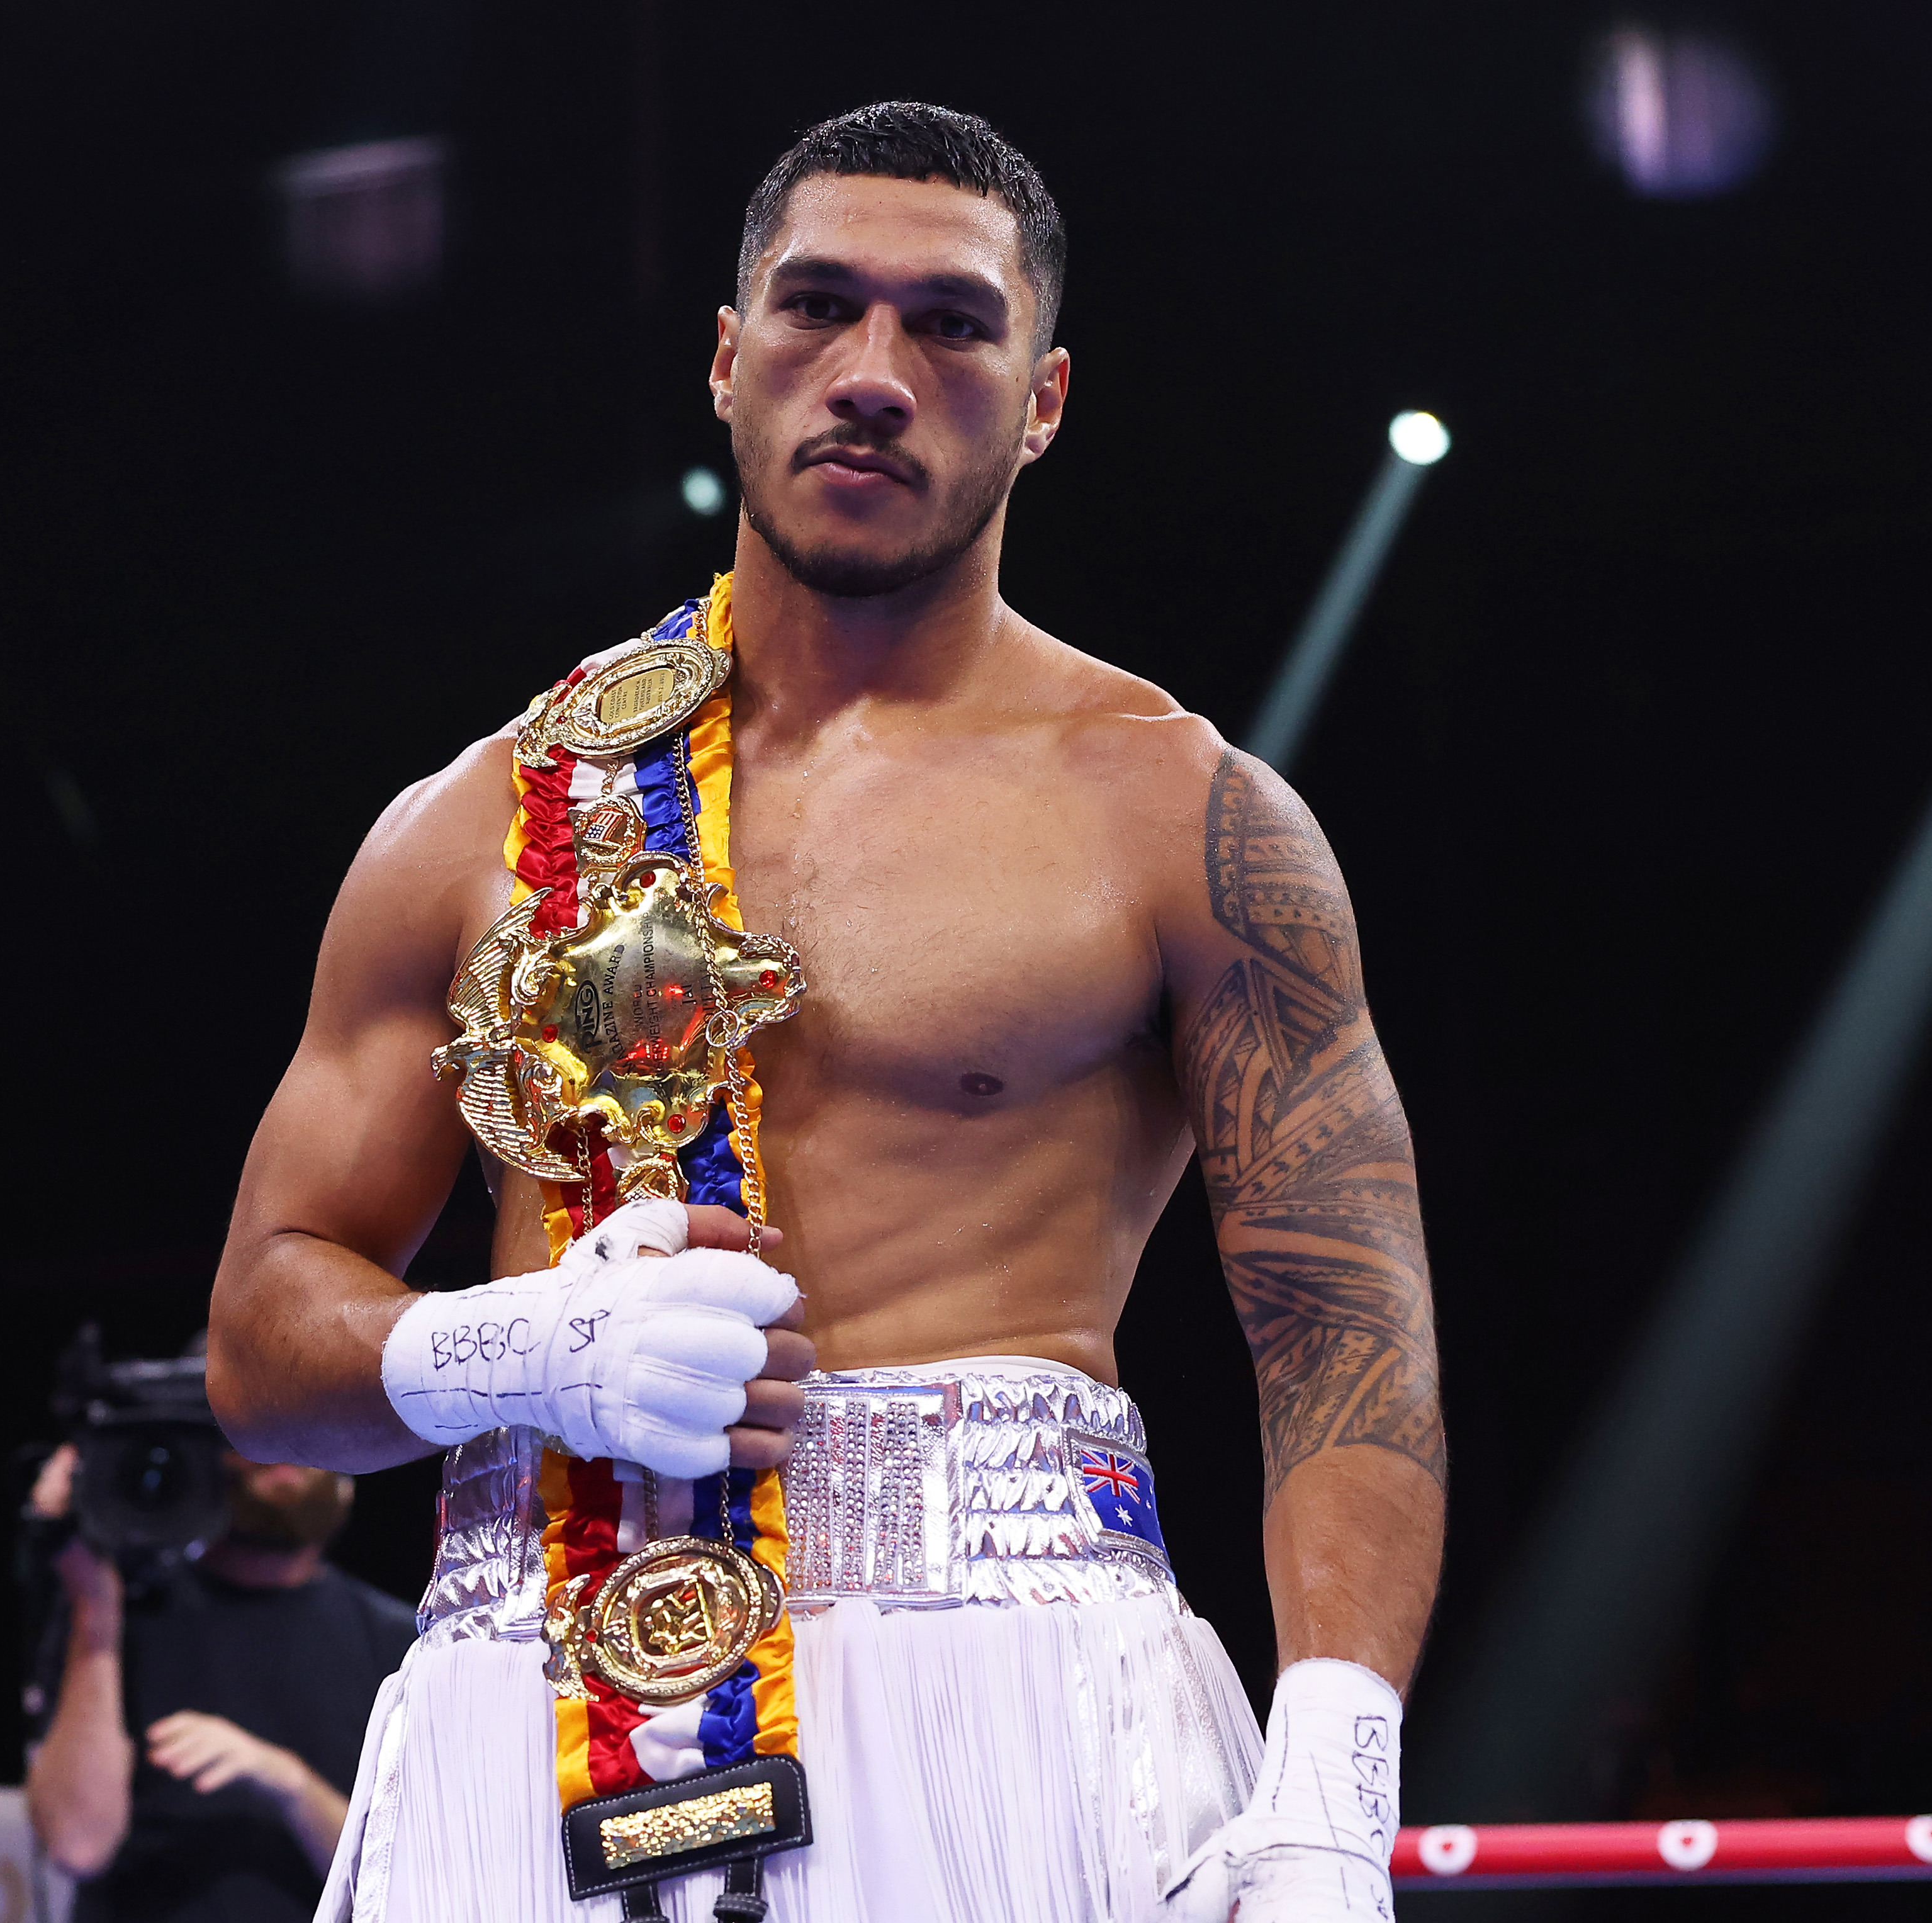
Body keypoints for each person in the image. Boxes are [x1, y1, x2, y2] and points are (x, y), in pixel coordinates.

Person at [208, 101, 1444, 1923]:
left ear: (1041, 400)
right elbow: (259, 1345)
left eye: (948, 324)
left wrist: (1331, 1795)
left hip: (1012, 1692)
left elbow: (1344, 1328)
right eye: (815, 306)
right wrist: (519, 1347)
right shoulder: (480, 823)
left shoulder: (1177, 814)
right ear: (728, 358)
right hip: (532, 1695)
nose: (870, 372)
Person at [23, 1425, 417, 1923]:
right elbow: (77, 1843)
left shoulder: (402, 1645)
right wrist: (95, 1614)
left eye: (304, 1424)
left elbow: (412, 1887)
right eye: (253, 1428)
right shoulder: (117, 1613)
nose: (282, 1448)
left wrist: (289, 1783)